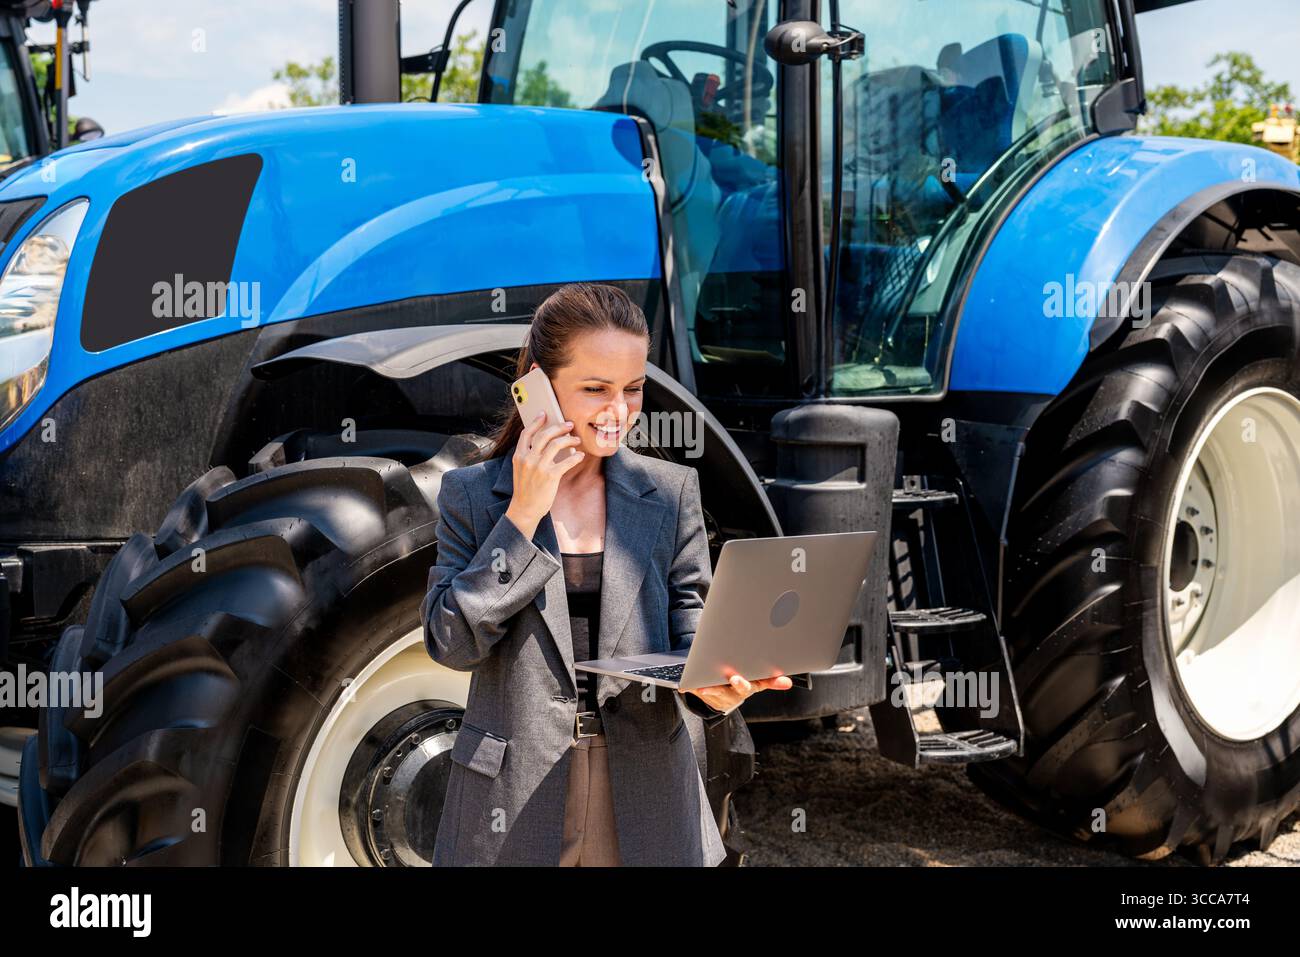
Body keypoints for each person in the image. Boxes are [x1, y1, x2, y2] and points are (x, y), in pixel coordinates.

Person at [421, 282, 791, 866]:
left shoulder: (670, 494)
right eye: (595, 389)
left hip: (648, 787)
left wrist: (716, 688)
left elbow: (692, 627)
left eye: (633, 389)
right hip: (511, 795)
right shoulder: (472, 497)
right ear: (536, 387)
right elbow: (452, 644)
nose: (618, 412)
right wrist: (522, 515)